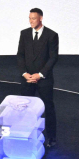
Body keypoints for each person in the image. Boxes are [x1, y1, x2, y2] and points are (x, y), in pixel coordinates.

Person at [16, 8, 58, 147]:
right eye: (29, 18)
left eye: (33, 18)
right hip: (27, 78)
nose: (31, 21)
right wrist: (24, 73)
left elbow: (53, 58)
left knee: (48, 107)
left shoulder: (51, 35)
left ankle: (51, 137)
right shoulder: (24, 34)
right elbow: (20, 55)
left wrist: (40, 75)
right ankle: (25, 135)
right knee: (25, 108)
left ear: (40, 18)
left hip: (44, 79)